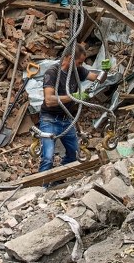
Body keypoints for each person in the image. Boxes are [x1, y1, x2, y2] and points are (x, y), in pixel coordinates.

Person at [38, 44, 104, 174]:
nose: (81, 65)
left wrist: (105, 72)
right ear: (68, 58)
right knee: (47, 157)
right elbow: (49, 100)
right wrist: (73, 97)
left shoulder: (78, 70)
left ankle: (57, 180)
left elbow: (97, 79)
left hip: (66, 120)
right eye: (79, 62)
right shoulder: (52, 73)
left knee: (74, 155)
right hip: (49, 119)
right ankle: (41, 189)